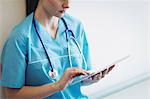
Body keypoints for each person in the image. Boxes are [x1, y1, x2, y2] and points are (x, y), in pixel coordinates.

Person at [0, 0, 115, 99]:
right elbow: (11, 95)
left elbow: (80, 79)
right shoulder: (20, 38)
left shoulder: (76, 26)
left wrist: (92, 79)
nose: (67, 5)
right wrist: (57, 86)